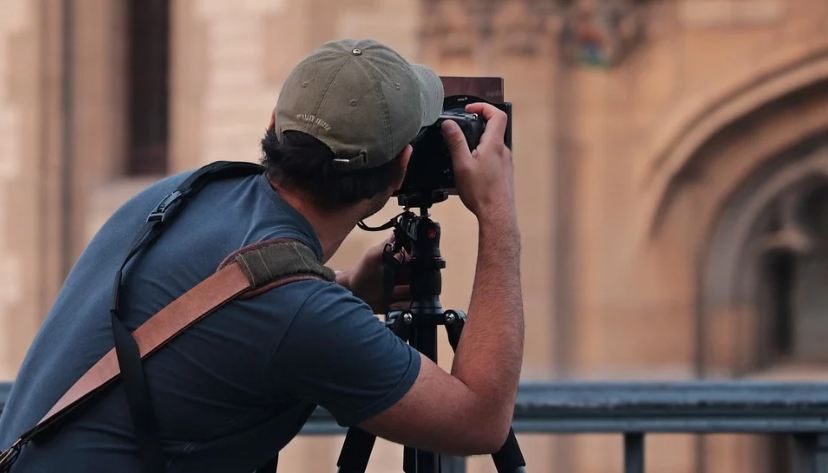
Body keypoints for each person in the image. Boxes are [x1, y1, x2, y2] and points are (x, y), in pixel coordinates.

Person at [0, 39, 523, 472]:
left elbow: (237, 321)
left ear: (275, 123)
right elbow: (479, 420)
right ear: (399, 170)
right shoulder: (301, 313)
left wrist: (344, 291)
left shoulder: (184, 193)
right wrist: (498, 217)